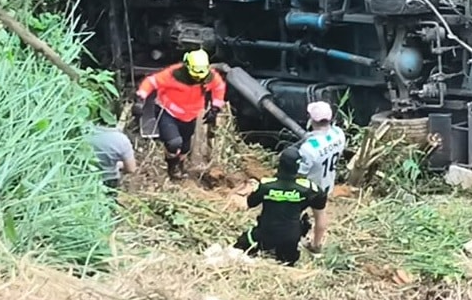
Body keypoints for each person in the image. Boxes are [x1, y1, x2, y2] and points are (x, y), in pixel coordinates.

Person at [133, 49, 226, 180]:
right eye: (195, 76)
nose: (197, 79)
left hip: (190, 116)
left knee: (184, 147)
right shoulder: (173, 74)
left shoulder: (209, 77)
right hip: (167, 111)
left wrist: (215, 108)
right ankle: (172, 165)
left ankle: (180, 164)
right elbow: (152, 82)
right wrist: (140, 99)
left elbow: (219, 87)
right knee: (174, 143)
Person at [234, 146, 329, 266]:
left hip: (264, 237)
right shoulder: (310, 189)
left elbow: (247, 204)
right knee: (287, 262)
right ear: (298, 166)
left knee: (239, 247)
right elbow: (320, 219)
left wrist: (241, 193)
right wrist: (315, 245)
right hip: (291, 240)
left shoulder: (266, 185)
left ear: (280, 164)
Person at [296, 101, 347, 195]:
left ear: (311, 119)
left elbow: (300, 173)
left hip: (311, 190)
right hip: (328, 184)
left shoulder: (308, 148)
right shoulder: (339, 133)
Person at [88, 125, 137, 190]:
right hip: (109, 179)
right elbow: (131, 169)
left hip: (86, 177)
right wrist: (120, 165)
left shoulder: (84, 130)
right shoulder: (122, 140)